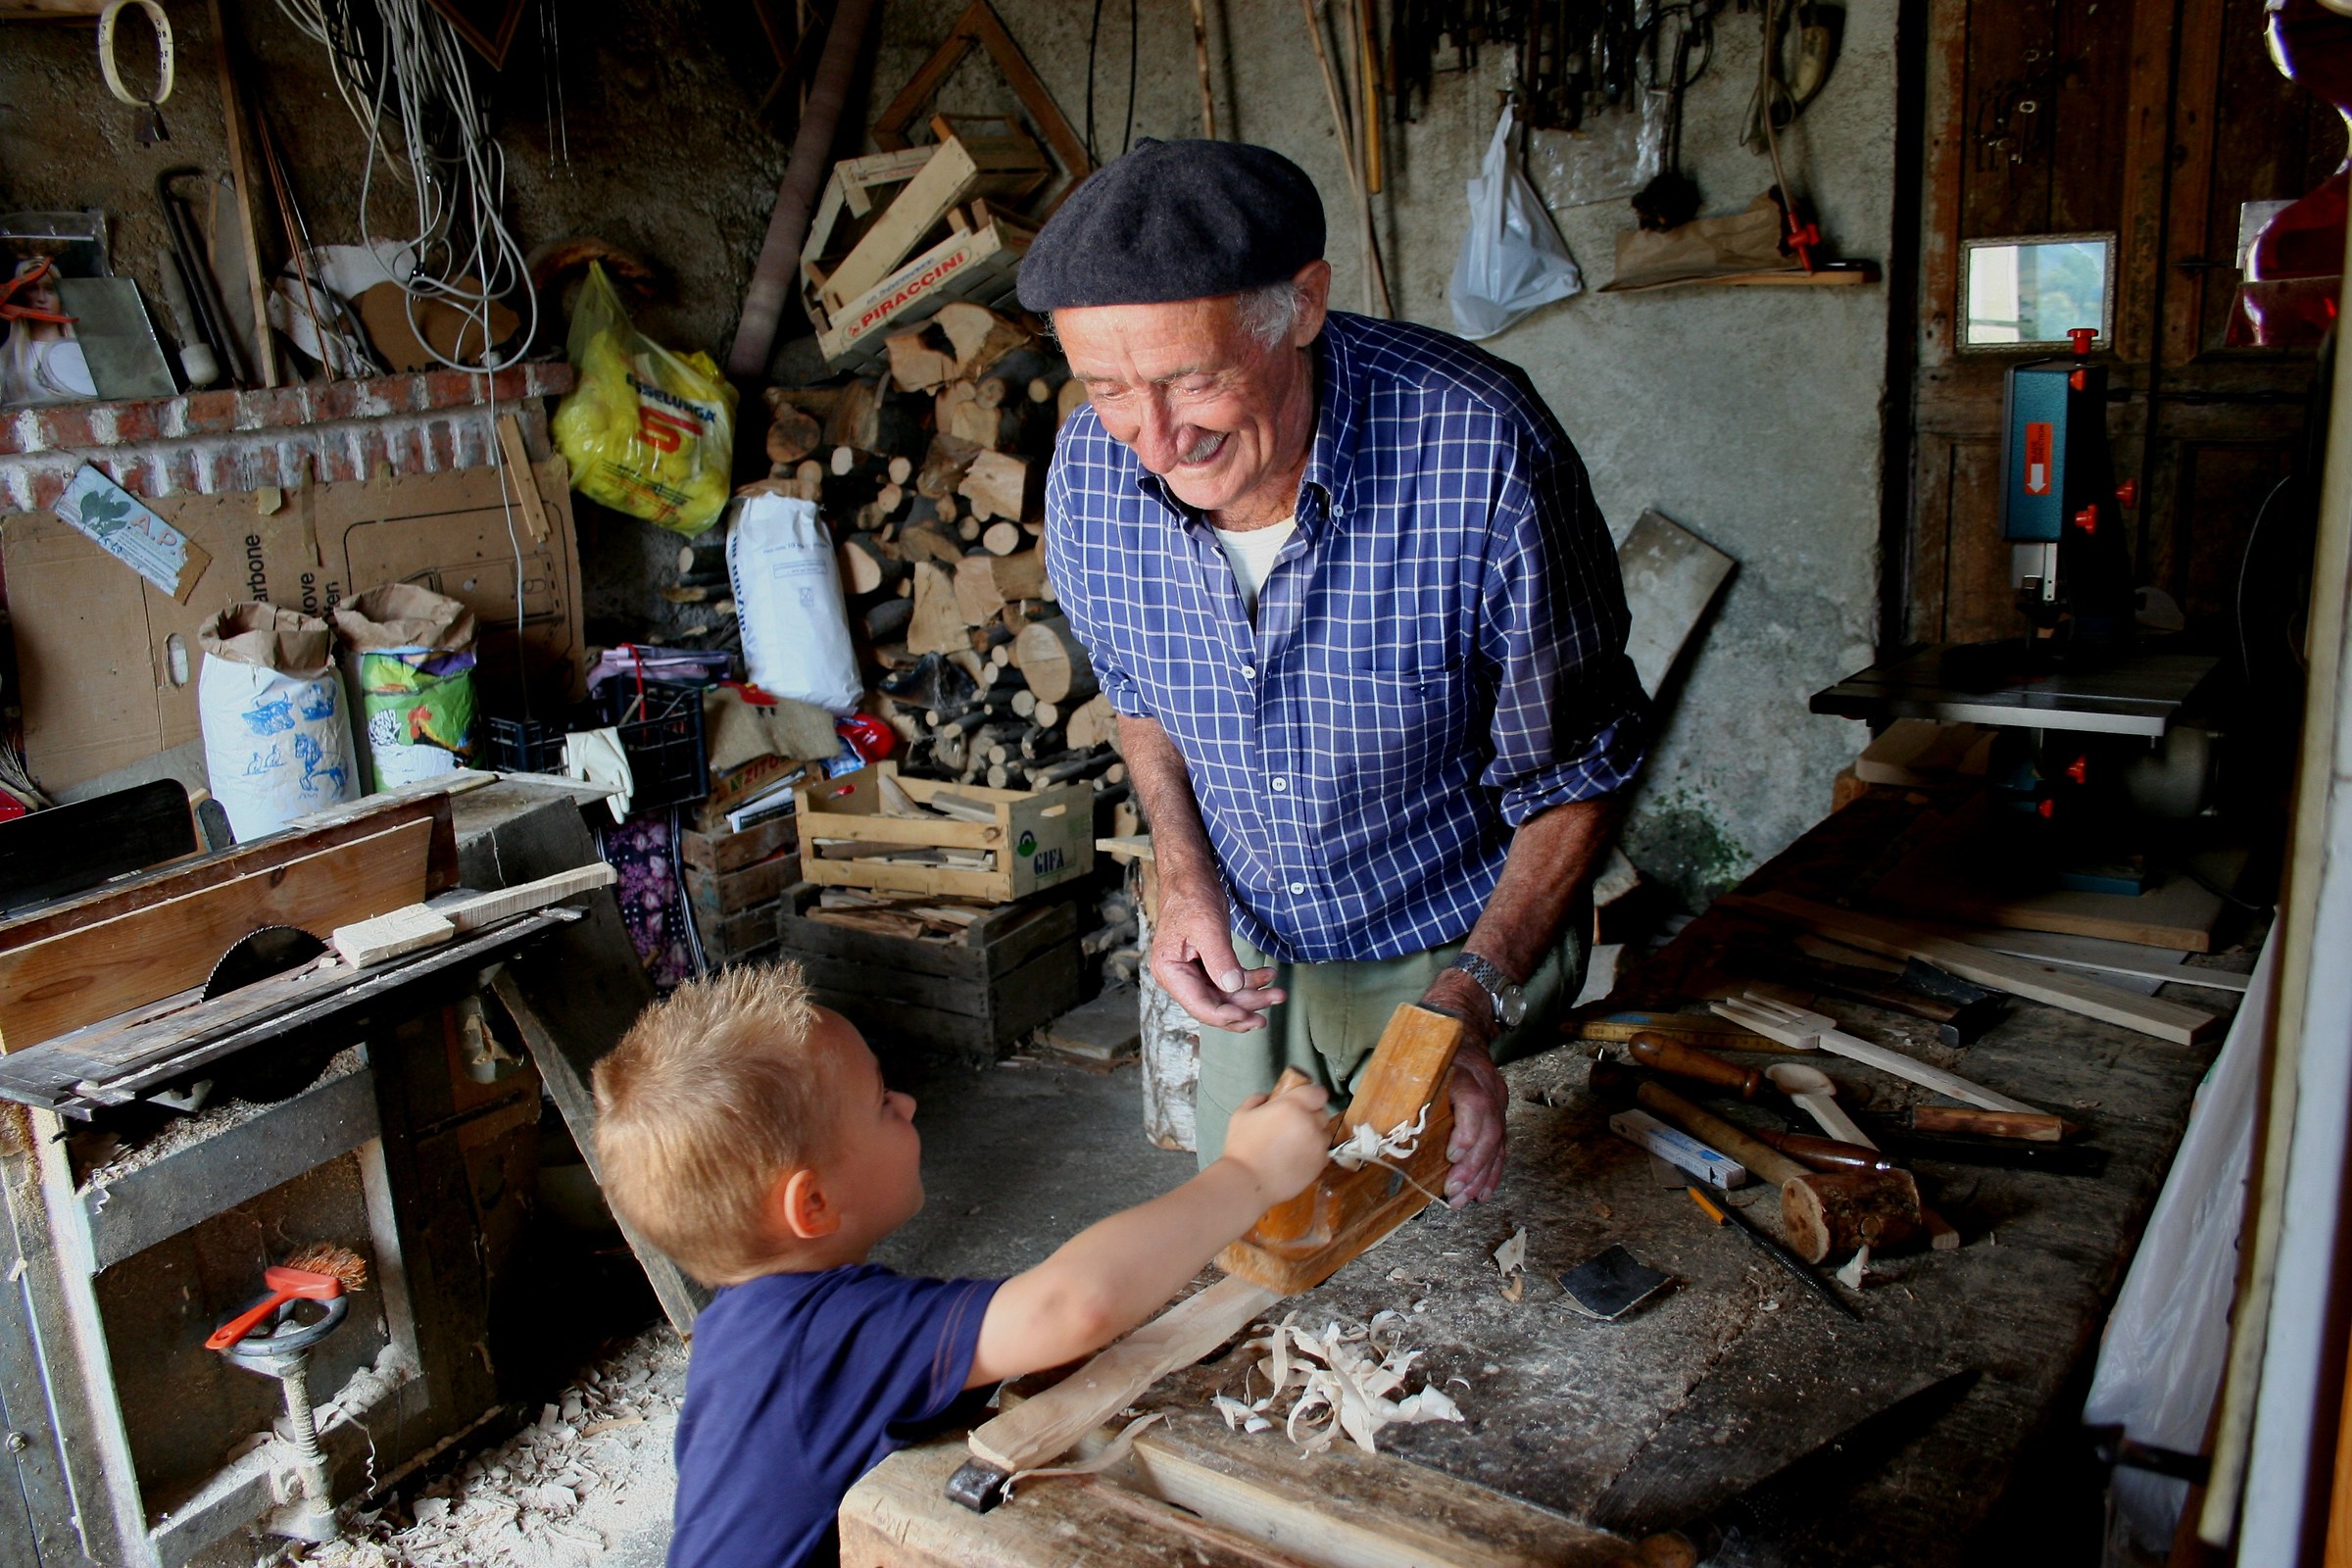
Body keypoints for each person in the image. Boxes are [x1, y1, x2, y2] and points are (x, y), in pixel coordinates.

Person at [1028, 139, 1648, 1208]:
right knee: (1257, 1261)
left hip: (1455, 950)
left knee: (1459, 1288)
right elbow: (1138, 694)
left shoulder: (1484, 447)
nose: (1158, 442)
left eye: (1192, 379)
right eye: (1108, 387)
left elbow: (1580, 774)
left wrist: (1473, 997)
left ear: (1304, 305)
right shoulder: (1091, 472)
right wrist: (1184, 876)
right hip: (1253, 964)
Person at [590, 963, 1334, 1568]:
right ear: (811, 1207)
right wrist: (1248, 1176)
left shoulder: (744, 1329)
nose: (910, 1104)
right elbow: (1069, 1308)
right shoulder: (831, 1338)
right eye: (882, 1102)